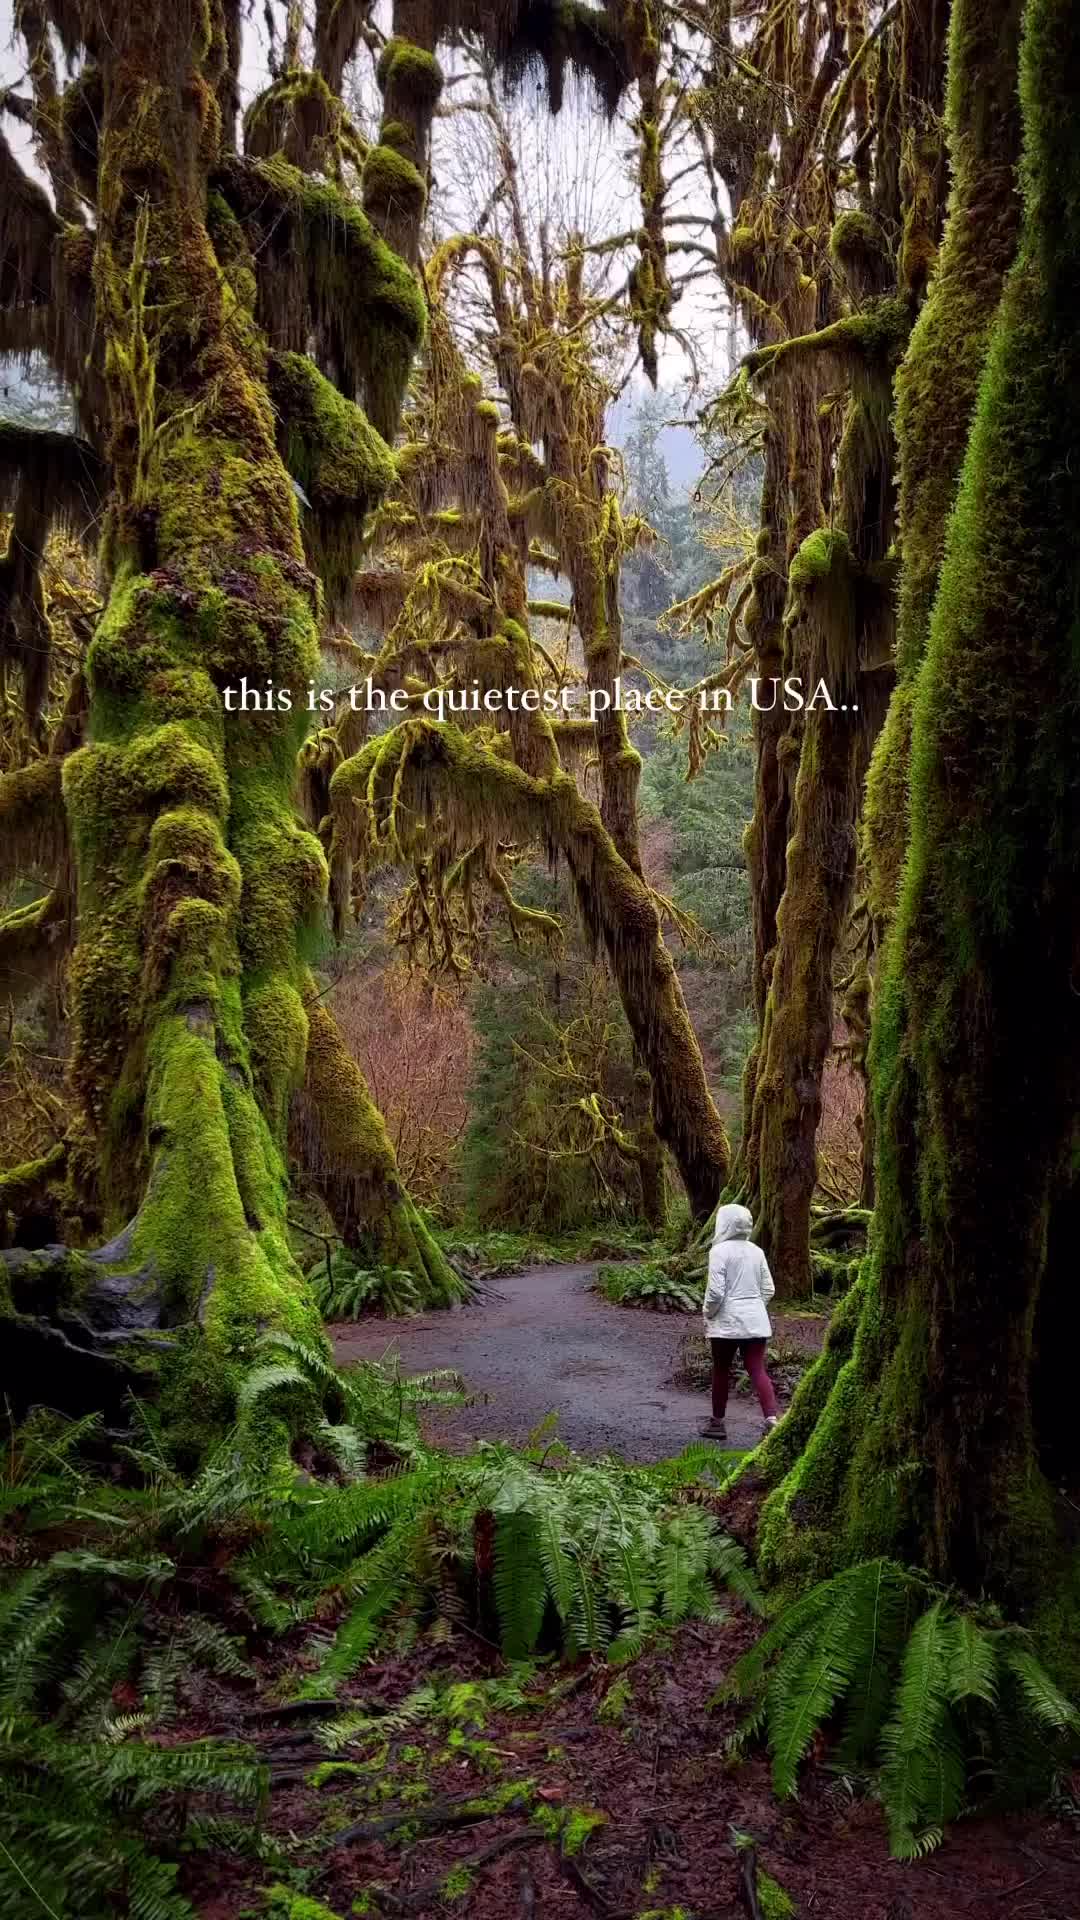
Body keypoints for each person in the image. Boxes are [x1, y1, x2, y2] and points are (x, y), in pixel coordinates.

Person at [699, 1202, 780, 1441]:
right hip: (756, 1321)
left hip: (726, 1324)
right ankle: (772, 1420)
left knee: (721, 1370)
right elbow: (768, 1289)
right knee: (756, 1368)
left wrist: (708, 1312)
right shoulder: (757, 1251)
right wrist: (754, 1308)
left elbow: (715, 1293)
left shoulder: (719, 1252)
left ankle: (717, 1423)